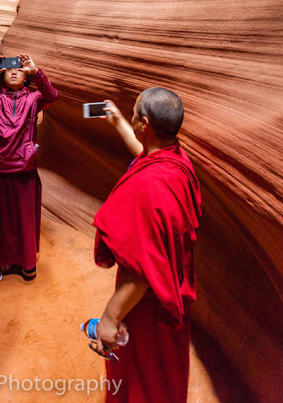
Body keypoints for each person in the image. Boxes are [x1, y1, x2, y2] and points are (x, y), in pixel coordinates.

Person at [93, 88, 201, 403]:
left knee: (144, 372)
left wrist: (110, 318)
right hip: (172, 284)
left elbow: (141, 273)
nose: (130, 117)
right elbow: (145, 156)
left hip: (149, 302)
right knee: (165, 367)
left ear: (144, 125)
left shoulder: (148, 189)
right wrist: (117, 123)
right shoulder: (177, 160)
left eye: (132, 114)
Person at [0, 53, 58, 285]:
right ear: (1, 75)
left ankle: (27, 263)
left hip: (24, 171)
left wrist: (36, 72)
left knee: (24, 221)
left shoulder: (34, 99)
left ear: (25, 77)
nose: (14, 71)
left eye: (19, 69)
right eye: (8, 69)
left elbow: (52, 95)